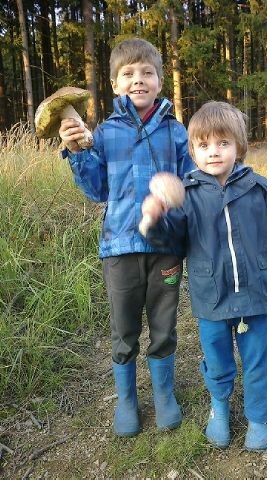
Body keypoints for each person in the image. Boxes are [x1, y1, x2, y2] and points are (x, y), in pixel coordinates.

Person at [141, 101, 267, 450]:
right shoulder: (187, 195)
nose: (214, 152)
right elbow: (173, 239)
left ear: (240, 147)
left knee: (257, 361)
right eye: (204, 145)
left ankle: (259, 416)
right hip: (211, 297)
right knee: (218, 360)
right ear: (193, 151)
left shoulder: (258, 188)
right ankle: (219, 405)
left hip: (254, 296)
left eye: (223, 143)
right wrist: (155, 217)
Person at [59, 38, 194, 437]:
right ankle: (127, 400)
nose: (139, 80)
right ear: (115, 84)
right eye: (128, 74)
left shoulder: (175, 131)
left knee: (164, 324)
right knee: (124, 329)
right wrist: (79, 151)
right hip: (118, 248)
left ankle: (164, 395)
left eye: (147, 73)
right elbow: (97, 189)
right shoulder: (103, 133)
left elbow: (191, 181)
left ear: (159, 80)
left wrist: (177, 199)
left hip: (166, 246)